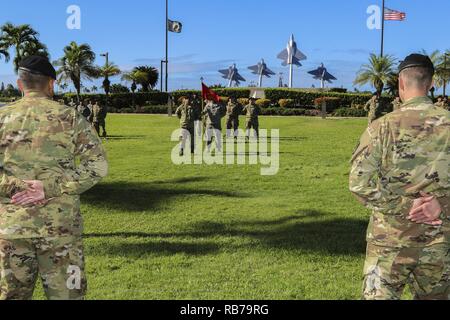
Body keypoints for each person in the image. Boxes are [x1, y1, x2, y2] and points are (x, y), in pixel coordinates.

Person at [0, 56, 108, 300]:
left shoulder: (2, 118)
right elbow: (98, 165)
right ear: (51, 84)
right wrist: (48, 188)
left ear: (20, 84)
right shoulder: (70, 117)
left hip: (12, 228)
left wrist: (15, 186)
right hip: (61, 231)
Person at [349, 54, 450, 300]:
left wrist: (404, 205)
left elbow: (358, 183)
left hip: (389, 242)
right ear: (431, 82)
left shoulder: (381, 127)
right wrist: (441, 204)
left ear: (401, 84)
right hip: (439, 243)